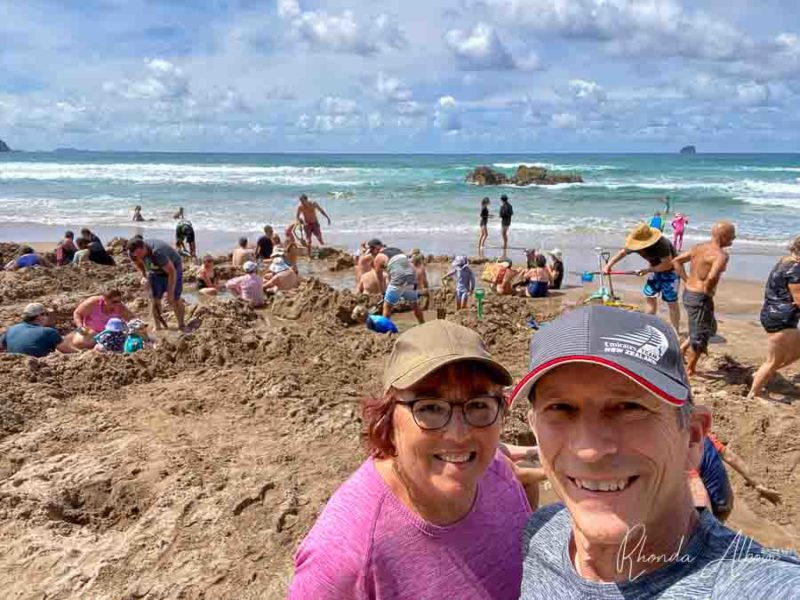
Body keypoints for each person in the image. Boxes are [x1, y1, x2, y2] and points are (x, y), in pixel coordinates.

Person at [508, 305, 800, 597]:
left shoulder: (756, 585)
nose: (590, 450)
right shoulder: (540, 532)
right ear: (534, 428)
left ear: (694, 437)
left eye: (628, 407)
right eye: (560, 408)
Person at [289, 320, 533, 599]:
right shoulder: (347, 554)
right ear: (388, 419)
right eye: (429, 408)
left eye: (478, 405)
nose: (458, 434)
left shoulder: (496, 471)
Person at [673, 221, 736, 375]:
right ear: (723, 236)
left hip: (689, 293)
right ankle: (690, 369)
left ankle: (682, 349)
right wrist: (707, 290)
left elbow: (676, 261)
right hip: (700, 297)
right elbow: (713, 276)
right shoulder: (721, 255)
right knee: (699, 337)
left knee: (709, 327)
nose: (734, 238)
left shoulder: (698, 247)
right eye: (732, 235)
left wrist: (686, 280)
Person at [688, 432, 781, 524]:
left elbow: (698, 489)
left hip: (714, 503)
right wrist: (758, 485)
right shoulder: (705, 435)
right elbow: (731, 458)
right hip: (727, 498)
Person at [748, 235, 800, 400]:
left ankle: (761, 374)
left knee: (783, 356)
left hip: (771, 313)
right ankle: (754, 394)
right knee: (773, 361)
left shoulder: (785, 261)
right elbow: (799, 300)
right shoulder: (796, 269)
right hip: (782, 319)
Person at [605, 223, 680, 331]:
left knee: (671, 302)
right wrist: (608, 265)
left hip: (671, 272)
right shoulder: (636, 245)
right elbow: (622, 253)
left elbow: (667, 264)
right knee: (650, 296)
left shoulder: (661, 244)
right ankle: (649, 322)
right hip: (654, 269)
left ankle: (675, 329)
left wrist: (647, 270)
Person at [127, 237, 186, 330]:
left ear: (144, 247)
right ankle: (157, 327)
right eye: (135, 254)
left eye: (139, 254)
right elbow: (138, 263)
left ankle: (181, 325)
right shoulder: (133, 253)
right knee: (155, 300)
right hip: (155, 271)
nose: (138, 256)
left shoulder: (157, 252)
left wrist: (170, 293)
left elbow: (171, 272)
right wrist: (144, 275)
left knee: (175, 299)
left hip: (173, 268)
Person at [368, 239, 424, 324]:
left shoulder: (378, 257)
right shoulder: (397, 250)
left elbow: (379, 277)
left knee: (387, 306)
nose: (371, 254)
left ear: (376, 248)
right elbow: (402, 266)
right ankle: (422, 324)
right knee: (414, 304)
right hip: (411, 276)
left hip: (399, 277)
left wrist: (383, 293)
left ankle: (385, 330)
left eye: (371, 251)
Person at [0, 303, 75, 357]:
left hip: (15, 367)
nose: (48, 317)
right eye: (46, 314)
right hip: (36, 369)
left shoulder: (11, 329)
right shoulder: (49, 332)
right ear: (39, 316)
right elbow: (68, 351)